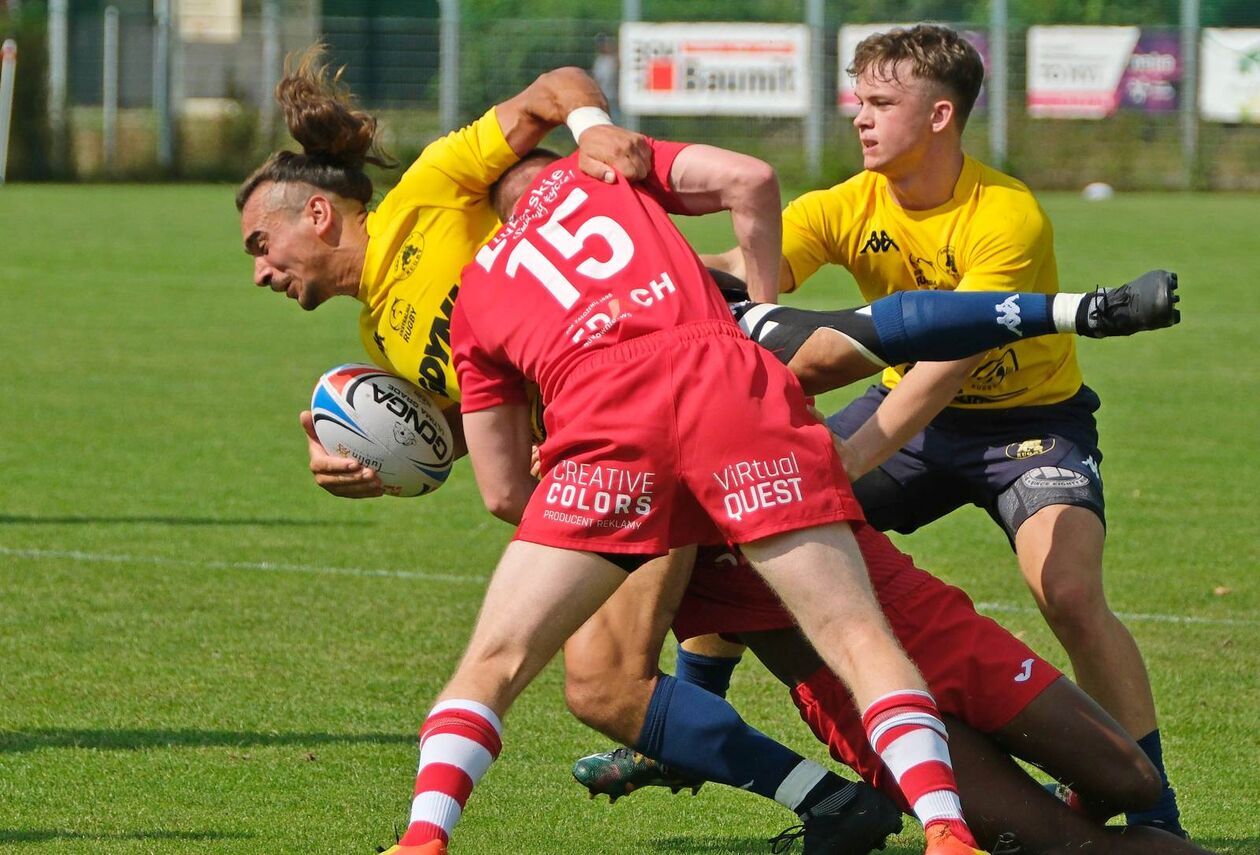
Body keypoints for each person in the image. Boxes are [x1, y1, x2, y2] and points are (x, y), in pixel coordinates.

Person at [393, 137, 988, 855]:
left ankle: (425, 836)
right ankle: (950, 832)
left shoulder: (480, 283)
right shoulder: (609, 173)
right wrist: (762, 315)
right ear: (555, 168)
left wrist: (588, 506)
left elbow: (501, 490)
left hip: (605, 433)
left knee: (496, 658)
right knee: (858, 638)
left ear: (496, 217)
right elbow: (754, 177)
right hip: (727, 390)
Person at [700, 23, 1185, 836]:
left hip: (1027, 427)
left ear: (939, 116)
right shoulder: (844, 204)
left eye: (882, 103)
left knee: (1067, 589)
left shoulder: (1008, 215)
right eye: (859, 100)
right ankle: (686, 720)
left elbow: (947, 361)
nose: (861, 118)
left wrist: (849, 456)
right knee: (753, 513)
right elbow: (743, 273)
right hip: (912, 421)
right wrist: (657, 280)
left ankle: (1154, 810)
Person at [236, 46, 652, 496]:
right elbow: (464, 421)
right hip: (597, 446)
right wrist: (367, 455)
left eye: (262, 245)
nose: (259, 273)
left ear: (318, 214)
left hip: (640, 375)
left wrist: (594, 131)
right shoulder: (377, 339)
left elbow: (556, 87)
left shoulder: (427, 188)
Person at [669, 530, 1217, 855]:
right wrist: (682, 714)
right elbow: (619, 670)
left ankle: (1032, 812)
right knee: (1068, 847)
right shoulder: (641, 474)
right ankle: (1033, 820)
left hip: (926, 617)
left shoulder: (765, 385)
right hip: (845, 679)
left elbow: (858, 348)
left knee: (1135, 781)